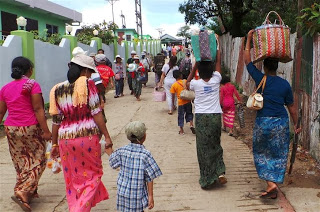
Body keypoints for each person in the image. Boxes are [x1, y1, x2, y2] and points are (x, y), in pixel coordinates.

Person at [49, 53, 113, 211]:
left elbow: (56, 121)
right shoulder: (87, 83)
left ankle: (76, 206)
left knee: (73, 179)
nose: (91, 74)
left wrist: (54, 143)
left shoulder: (57, 89)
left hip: (65, 139)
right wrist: (107, 136)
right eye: (90, 71)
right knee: (93, 176)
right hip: (87, 137)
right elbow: (96, 112)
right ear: (84, 71)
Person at [244, 29, 301, 199]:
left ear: (264, 65)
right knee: (278, 153)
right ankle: (273, 184)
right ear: (277, 66)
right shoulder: (284, 84)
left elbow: (247, 61)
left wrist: (249, 39)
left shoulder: (260, 78)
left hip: (263, 122)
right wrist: (297, 125)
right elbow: (291, 107)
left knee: (261, 152)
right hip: (281, 123)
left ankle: (271, 185)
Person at [0, 56, 52, 211]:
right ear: (29, 70)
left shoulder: (5, 88)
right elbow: (38, 109)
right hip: (29, 127)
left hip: (11, 128)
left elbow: (1, 112)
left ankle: (26, 194)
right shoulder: (32, 85)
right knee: (39, 159)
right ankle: (23, 190)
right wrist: (46, 131)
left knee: (21, 161)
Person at [187, 37, 228, 189]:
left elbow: (187, 82)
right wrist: (217, 46)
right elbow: (218, 62)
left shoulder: (196, 84)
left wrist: (195, 66)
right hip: (216, 116)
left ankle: (207, 179)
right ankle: (219, 171)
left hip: (202, 117)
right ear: (211, 70)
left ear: (199, 71)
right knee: (215, 144)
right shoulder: (216, 79)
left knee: (203, 148)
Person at [109, 121, 162, 212]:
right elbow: (150, 177)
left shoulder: (122, 150)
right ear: (144, 136)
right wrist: (150, 196)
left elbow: (113, 163)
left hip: (122, 193)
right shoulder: (145, 154)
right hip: (136, 195)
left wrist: (108, 149)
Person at [170, 69, 195, 135]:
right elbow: (190, 90)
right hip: (188, 101)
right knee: (189, 113)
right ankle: (191, 124)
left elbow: (172, 96)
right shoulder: (185, 81)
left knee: (180, 116)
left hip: (181, 103)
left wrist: (173, 104)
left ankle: (181, 130)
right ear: (180, 75)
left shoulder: (174, 85)